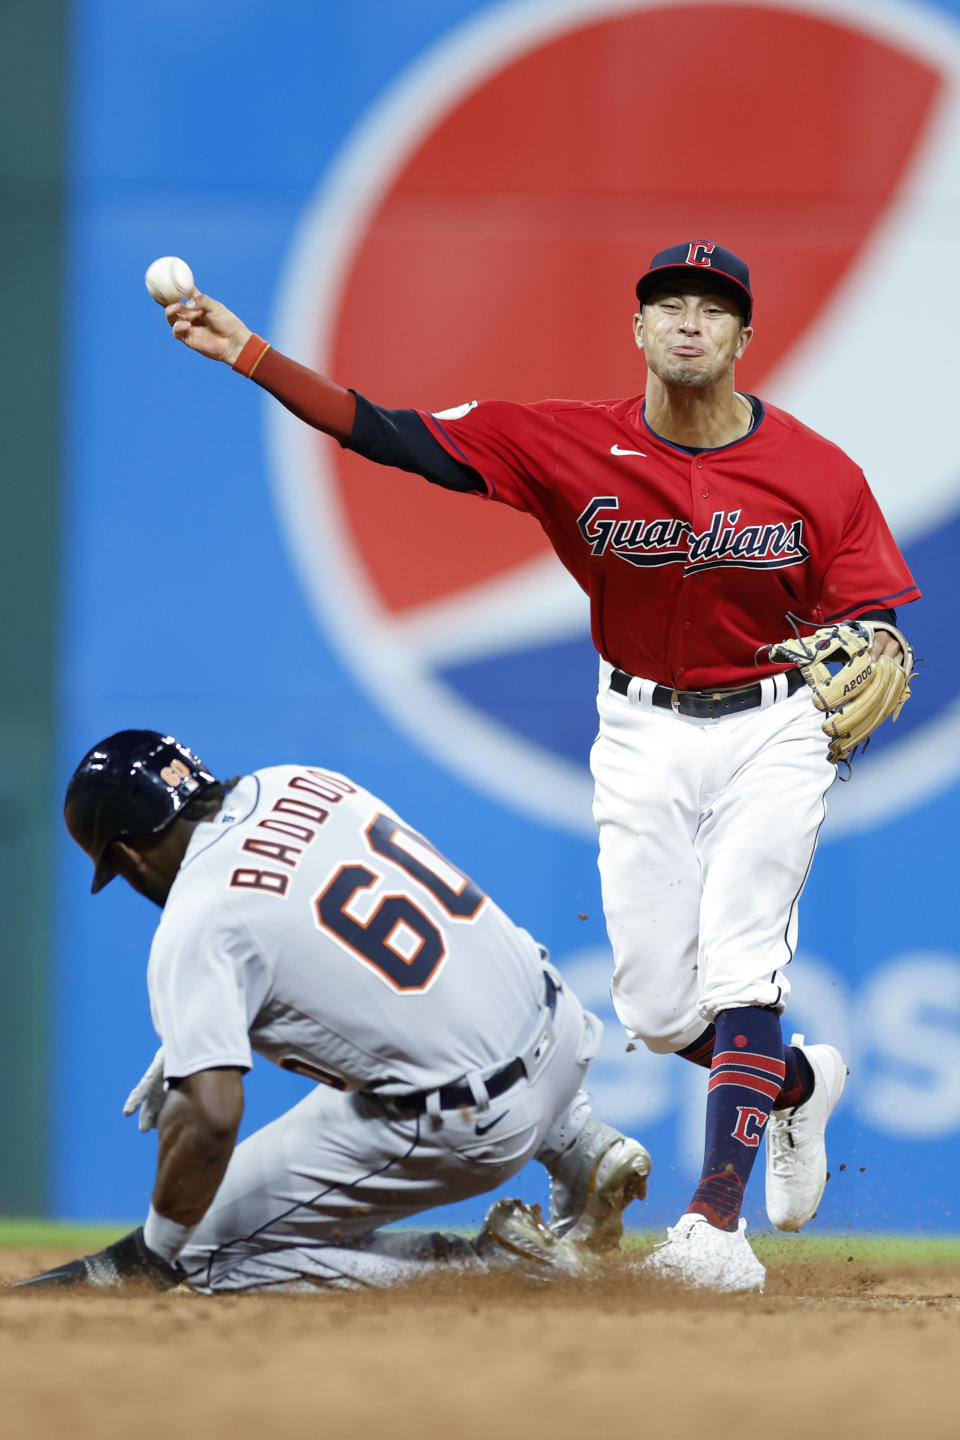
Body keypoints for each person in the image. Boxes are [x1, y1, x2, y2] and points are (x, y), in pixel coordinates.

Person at [151, 240, 919, 1293]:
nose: (688, 322)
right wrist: (252, 355)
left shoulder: (818, 472)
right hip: (641, 726)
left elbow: (869, 615)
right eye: (668, 305)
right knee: (656, 1007)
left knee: (744, 955)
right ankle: (790, 1088)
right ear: (637, 331)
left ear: (745, 337)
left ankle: (714, 1228)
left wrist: (872, 642)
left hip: (770, 728)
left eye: (712, 308)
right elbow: (391, 435)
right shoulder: (564, 442)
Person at [15, 732, 650, 1294]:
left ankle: (490, 1270)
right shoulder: (298, 782)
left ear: (127, 856)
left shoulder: (197, 918)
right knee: (460, 1012)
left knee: (201, 1253)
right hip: (563, 1034)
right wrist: (202, 1018)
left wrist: (156, 1250)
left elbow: (210, 1117)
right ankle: (578, 1143)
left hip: (478, 1122)